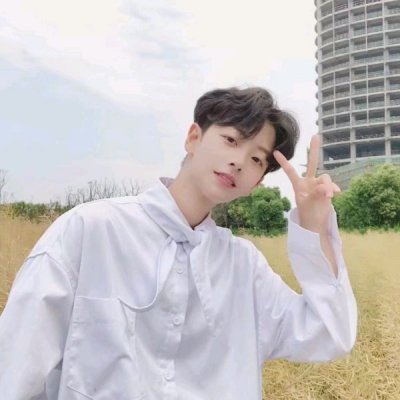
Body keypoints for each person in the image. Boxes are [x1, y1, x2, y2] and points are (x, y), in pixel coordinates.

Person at [0, 86, 357, 400]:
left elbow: (329, 333)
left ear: (258, 182)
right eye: (231, 140)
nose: (237, 162)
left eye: (255, 159)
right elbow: (16, 366)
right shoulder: (92, 230)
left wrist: (315, 227)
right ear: (193, 138)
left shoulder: (243, 267)